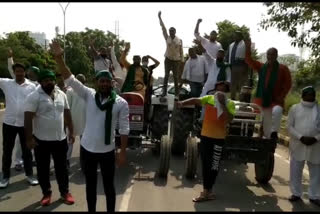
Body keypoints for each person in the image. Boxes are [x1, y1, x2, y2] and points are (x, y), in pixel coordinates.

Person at [50, 40, 129, 212]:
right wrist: (58, 58)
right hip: (88, 151)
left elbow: (124, 129)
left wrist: (122, 151)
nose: (104, 84)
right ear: (96, 82)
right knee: (90, 187)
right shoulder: (89, 95)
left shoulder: (121, 103)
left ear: (112, 84)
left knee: (109, 188)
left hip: (108, 152)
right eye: (101, 81)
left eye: (107, 82)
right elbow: (69, 79)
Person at [177, 81, 235, 202]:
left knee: (214, 166)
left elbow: (229, 119)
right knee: (205, 164)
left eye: (223, 90)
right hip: (206, 137)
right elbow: (195, 100)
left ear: (226, 92)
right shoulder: (209, 99)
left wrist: (223, 104)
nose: (219, 93)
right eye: (218, 90)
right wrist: (182, 103)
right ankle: (206, 191)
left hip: (219, 139)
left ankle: (208, 191)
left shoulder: (230, 104)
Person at [24, 69, 75, 206]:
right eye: (46, 80)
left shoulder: (62, 95)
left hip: (60, 139)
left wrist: (71, 131)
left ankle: (65, 193)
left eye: (51, 80)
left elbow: (67, 113)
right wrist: (29, 138)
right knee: (43, 169)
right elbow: (28, 118)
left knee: (62, 168)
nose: (49, 82)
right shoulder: (34, 96)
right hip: (42, 140)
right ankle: (46, 194)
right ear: (40, 82)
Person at [0, 60, 38, 189]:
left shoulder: (32, 86)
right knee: (7, 151)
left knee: (27, 151)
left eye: (21, 71)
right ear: (14, 72)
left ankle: (29, 175)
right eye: (17, 71)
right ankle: (5, 177)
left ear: (25, 72)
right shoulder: (6, 83)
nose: (19, 73)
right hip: (9, 123)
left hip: (25, 124)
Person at [244, 38, 292, 140]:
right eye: (268, 54)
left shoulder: (283, 68)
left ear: (276, 55)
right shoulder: (261, 67)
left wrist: (281, 96)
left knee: (277, 111)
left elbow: (288, 84)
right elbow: (249, 60)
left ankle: (273, 133)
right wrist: (247, 48)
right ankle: (256, 135)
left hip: (275, 100)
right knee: (257, 115)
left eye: (272, 54)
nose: (270, 56)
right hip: (261, 99)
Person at [287, 86, 320, 207]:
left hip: (316, 145)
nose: (311, 96)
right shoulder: (295, 108)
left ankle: (315, 196)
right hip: (298, 144)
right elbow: (289, 126)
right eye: (308, 94)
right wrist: (300, 137)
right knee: (295, 170)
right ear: (303, 95)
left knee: (316, 172)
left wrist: (315, 138)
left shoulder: (319, 109)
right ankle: (296, 193)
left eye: (313, 94)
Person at [7, 49, 39, 171]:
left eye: (33, 72)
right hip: (21, 118)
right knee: (21, 142)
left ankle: (34, 160)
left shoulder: (37, 85)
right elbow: (12, 70)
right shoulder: (23, 82)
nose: (30, 74)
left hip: (35, 117)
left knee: (35, 139)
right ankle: (18, 162)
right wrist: (10, 58)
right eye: (29, 72)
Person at [158, 11, 184, 97]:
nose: (171, 32)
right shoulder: (167, 37)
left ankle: (177, 93)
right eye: (170, 31)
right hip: (168, 58)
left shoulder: (179, 40)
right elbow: (163, 28)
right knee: (166, 75)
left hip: (176, 60)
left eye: (172, 31)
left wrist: (182, 60)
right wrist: (160, 17)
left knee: (176, 77)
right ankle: (164, 92)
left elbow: (181, 51)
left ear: (175, 32)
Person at [66, 74, 87, 173]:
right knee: (70, 142)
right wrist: (66, 121)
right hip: (72, 120)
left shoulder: (87, 91)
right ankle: (66, 162)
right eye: (79, 80)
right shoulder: (70, 91)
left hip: (85, 121)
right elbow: (67, 107)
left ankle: (84, 164)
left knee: (84, 143)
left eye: (82, 81)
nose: (80, 82)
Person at [226, 31, 248, 100]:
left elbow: (247, 55)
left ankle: (242, 99)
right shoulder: (231, 45)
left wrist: (246, 67)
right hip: (232, 67)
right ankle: (233, 99)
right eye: (234, 35)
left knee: (241, 84)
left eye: (237, 35)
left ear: (241, 36)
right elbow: (228, 55)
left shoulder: (244, 44)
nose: (235, 36)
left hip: (241, 66)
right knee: (233, 84)